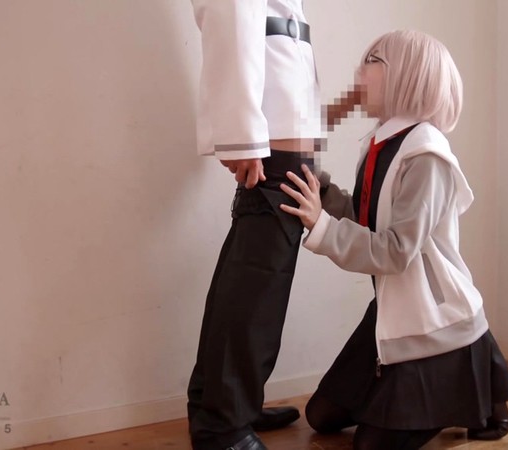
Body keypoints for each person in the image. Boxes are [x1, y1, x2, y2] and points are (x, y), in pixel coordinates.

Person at [279, 30, 508, 450]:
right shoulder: (381, 144)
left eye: (372, 62)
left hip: (431, 319)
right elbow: (368, 220)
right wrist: (322, 192)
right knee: (320, 417)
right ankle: (463, 397)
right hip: (392, 309)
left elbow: (395, 251)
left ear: (406, 76)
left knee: (369, 447)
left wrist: (321, 225)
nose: (359, 71)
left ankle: (471, 399)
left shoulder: (426, 156)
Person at [186, 2, 358, 449]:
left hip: (280, 116)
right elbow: (230, 11)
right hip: (270, 125)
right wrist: (241, 131)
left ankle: (221, 404)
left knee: (245, 279)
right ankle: (224, 425)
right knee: (257, 289)